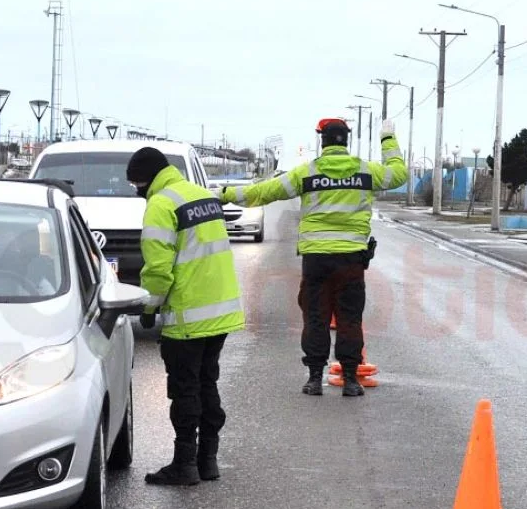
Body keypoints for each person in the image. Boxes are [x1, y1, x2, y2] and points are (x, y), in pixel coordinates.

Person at [219, 116, 406, 397]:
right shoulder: (366, 172)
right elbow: (399, 174)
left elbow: (264, 192)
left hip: (316, 260)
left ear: (323, 142)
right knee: (349, 318)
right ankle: (351, 380)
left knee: (316, 317)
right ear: (347, 140)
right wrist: (387, 139)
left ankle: (315, 378)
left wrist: (226, 194)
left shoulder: (306, 173)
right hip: (352, 260)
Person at [127, 147, 245, 486]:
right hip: (220, 311)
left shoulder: (161, 205)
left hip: (188, 316)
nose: (138, 191)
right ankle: (208, 461)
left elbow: (159, 272)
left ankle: (184, 465)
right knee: (207, 384)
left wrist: (149, 307)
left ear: (144, 180)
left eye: (136, 185)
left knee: (185, 390)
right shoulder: (201, 196)